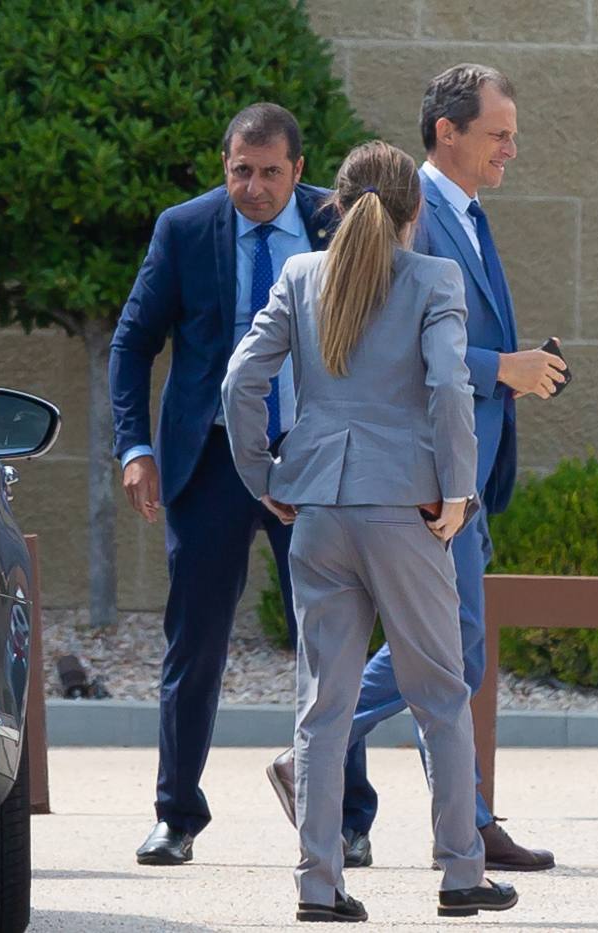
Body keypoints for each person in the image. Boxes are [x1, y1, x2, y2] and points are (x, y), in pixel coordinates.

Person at [266, 64, 563, 873]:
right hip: (423, 487)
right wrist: (505, 366)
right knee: (450, 655)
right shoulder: (417, 223)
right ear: (447, 133)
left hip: (431, 480)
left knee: (451, 653)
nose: (510, 148)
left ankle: (459, 818)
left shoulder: (465, 216)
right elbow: (408, 358)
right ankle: (450, 832)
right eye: (497, 134)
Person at [223, 140, 520, 923]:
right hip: (405, 506)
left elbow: (239, 380)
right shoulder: (432, 276)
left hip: (317, 503)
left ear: (333, 203)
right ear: (413, 210)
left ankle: (318, 886)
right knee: (440, 694)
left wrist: (263, 478)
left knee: (321, 705)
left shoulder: (300, 275)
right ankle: (461, 874)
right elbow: (450, 388)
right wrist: (459, 489)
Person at [109, 102, 335, 865]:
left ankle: (344, 815)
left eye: (271, 172)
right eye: (242, 170)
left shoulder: (340, 223)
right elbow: (133, 341)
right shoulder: (185, 228)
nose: (255, 187)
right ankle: (176, 814)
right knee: (195, 640)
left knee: (328, 639)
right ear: (224, 165)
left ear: (298, 171)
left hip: (313, 462)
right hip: (209, 462)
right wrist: (135, 446)